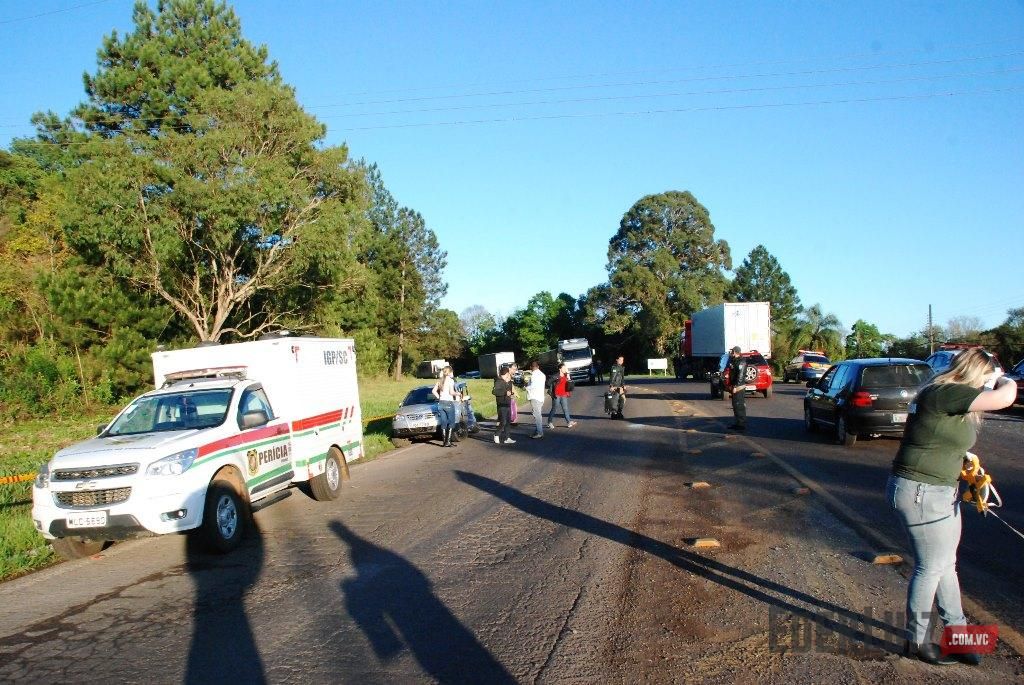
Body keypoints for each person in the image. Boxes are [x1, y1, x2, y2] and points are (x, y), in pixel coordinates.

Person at [887, 349, 1016, 666]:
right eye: (986, 379)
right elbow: (1004, 399)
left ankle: (958, 637)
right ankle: (916, 642)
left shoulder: (947, 396)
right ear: (977, 373)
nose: (988, 386)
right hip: (923, 493)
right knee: (931, 567)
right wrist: (1006, 379)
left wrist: (964, 462)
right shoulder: (945, 392)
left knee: (945, 565)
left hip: (937, 491)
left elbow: (935, 439)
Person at [432, 366, 461, 447]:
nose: (452, 373)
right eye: (452, 372)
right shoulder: (450, 381)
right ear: (449, 372)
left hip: (440, 403)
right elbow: (451, 392)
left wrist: (439, 397)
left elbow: (433, 391)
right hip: (448, 403)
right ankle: (448, 441)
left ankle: (444, 442)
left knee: (444, 422)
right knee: (451, 422)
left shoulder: (440, 381)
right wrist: (458, 393)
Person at [491, 364, 516, 445]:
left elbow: (509, 391)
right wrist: (505, 392)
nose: (509, 375)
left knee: (508, 421)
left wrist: (510, 392)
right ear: (505, 374)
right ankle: (496, 434)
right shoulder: (498, 381)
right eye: (508, 374)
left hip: (507, 403)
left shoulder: (507, 382)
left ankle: (507, 438)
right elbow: (494, 392)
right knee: (503, 421)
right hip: (501, 404)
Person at [547, 363, 577, 429]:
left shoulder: (566, 375)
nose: (565, 369)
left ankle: (569, 422)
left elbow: (570, 384)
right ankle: (549, 422)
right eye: (564, 368)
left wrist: (568, 374)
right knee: (554, 409)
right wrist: (552, 386)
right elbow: (548, 382)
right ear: (560, 368)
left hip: (564, 394)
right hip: (556, 395)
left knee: (565, 409)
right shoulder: (555, 376)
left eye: (565, 368)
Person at [726, 346, 748, 430]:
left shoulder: (741, 362)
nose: (731, 352)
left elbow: (740, 375)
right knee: (735, 405)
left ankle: (741, 424)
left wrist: (736, 386)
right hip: (734, 385)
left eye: (732, 351)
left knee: (739, 405)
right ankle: (737, 423)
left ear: (735, 352)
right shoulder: (734, 360)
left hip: (739, 386)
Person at [525, 361, 546, 439]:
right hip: (541, 397)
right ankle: (537, 431)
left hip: (534, 396)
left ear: (531, 367)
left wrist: (525, 387)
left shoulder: (532, 375)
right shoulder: (542, 375)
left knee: (537, 416)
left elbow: (531, 386)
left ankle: (540, 433)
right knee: (538, 414)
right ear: (538, 367)